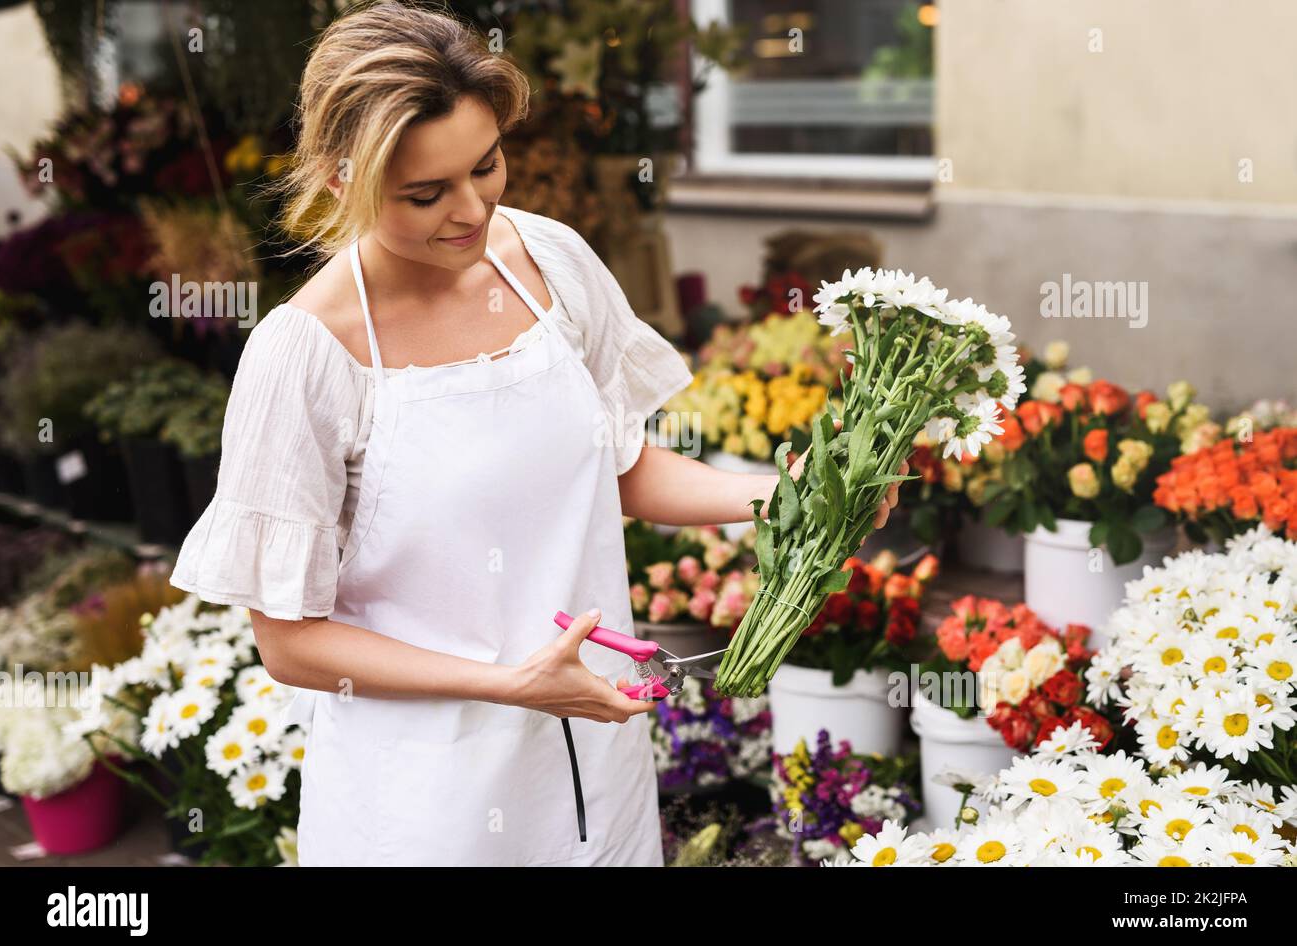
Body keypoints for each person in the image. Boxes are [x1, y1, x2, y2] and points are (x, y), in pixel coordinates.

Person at [169, 0, 902, 866]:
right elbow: (290, 643)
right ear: (341, 179)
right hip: (423, 803)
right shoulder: (306, 355)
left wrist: (796, 495)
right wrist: (509, 685)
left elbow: (619, 467)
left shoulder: (548, 262)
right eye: (425, 193)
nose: (472, 209)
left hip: (593, 760)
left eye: (486, 166)